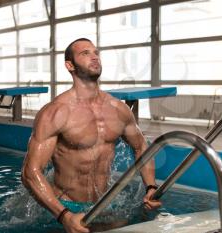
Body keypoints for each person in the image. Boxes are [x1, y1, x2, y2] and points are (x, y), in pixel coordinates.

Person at [21, 38, 161, 233]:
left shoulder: (118, 109)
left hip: (106, 205)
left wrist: (150, 187)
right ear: (70, 65)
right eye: (85, 53)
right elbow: (30, 172)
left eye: (96, 52)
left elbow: (141, 147)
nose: (94, 57)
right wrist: (64, 216)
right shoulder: (56, 112)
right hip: (66, 207)